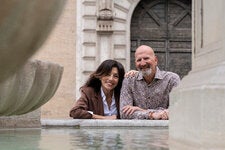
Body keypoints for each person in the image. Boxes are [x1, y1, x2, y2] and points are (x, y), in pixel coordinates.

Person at [120, 45, 180, 120]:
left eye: (146, 58)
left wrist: (142, 111)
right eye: (139, 60)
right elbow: (124, 114)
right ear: (135, 63)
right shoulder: (129, 80)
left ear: (155, 60)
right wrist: (152, 115)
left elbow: (178, 109)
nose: (142, 63)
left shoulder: (172, 79)